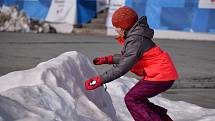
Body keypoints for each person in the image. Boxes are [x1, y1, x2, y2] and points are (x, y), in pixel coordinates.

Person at [84, 6, 178, 121]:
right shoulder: (136, 37)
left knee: (132, 99)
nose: (116, 29)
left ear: (125, 26)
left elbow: (123, 66)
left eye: (117, 26)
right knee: (138, 99)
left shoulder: (136, 40)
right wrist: (108, 59)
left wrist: (99, 80)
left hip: (160, 76)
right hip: (162, 74)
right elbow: (128, 57)